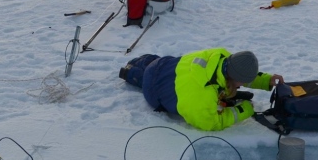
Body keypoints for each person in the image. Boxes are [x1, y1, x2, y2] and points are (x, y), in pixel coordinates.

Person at [119, 48, 284, 131]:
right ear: (232, 77)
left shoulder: (222, 56)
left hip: (165, 64)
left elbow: (240, 74)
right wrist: (245, 110)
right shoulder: (203, 93)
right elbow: (210, 123)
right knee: (142, 77)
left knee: (150, 63)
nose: (242, 85)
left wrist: (266, 80)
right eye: (241, 83)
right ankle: (128, 72)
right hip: (154, 88)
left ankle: (140, 61)